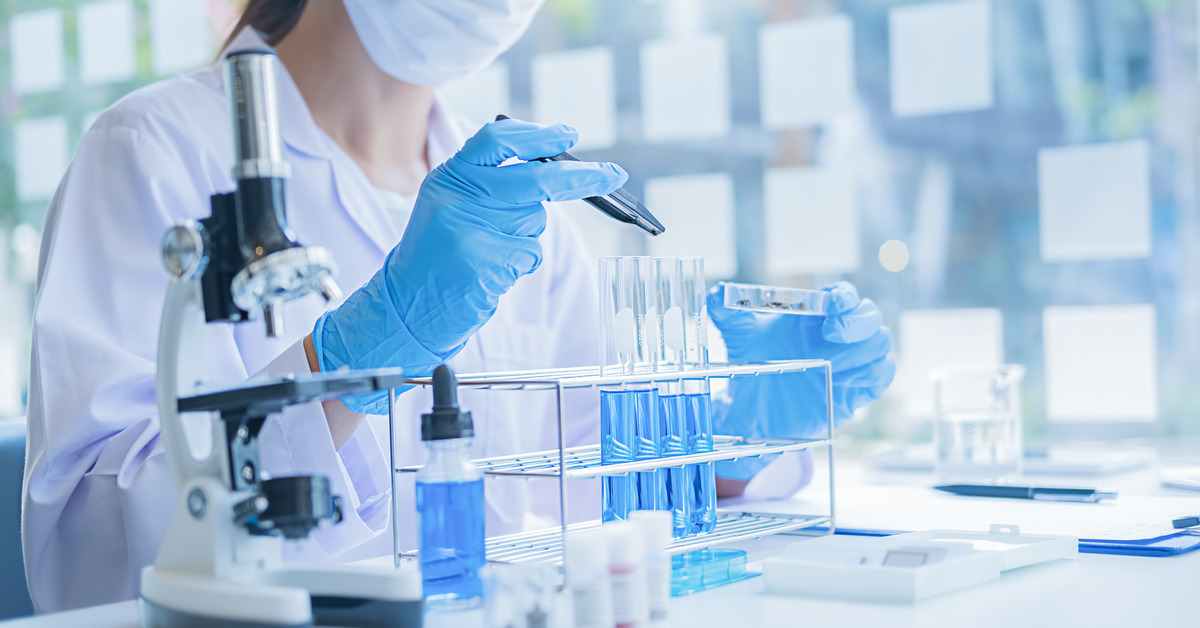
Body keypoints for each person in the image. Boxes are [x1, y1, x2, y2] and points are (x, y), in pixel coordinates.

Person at [21, 0, 896, 614]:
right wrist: (346, 364)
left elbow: (596, 489)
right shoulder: (153, 154)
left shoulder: (519, 211)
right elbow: (91, 556)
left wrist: (736, 433)